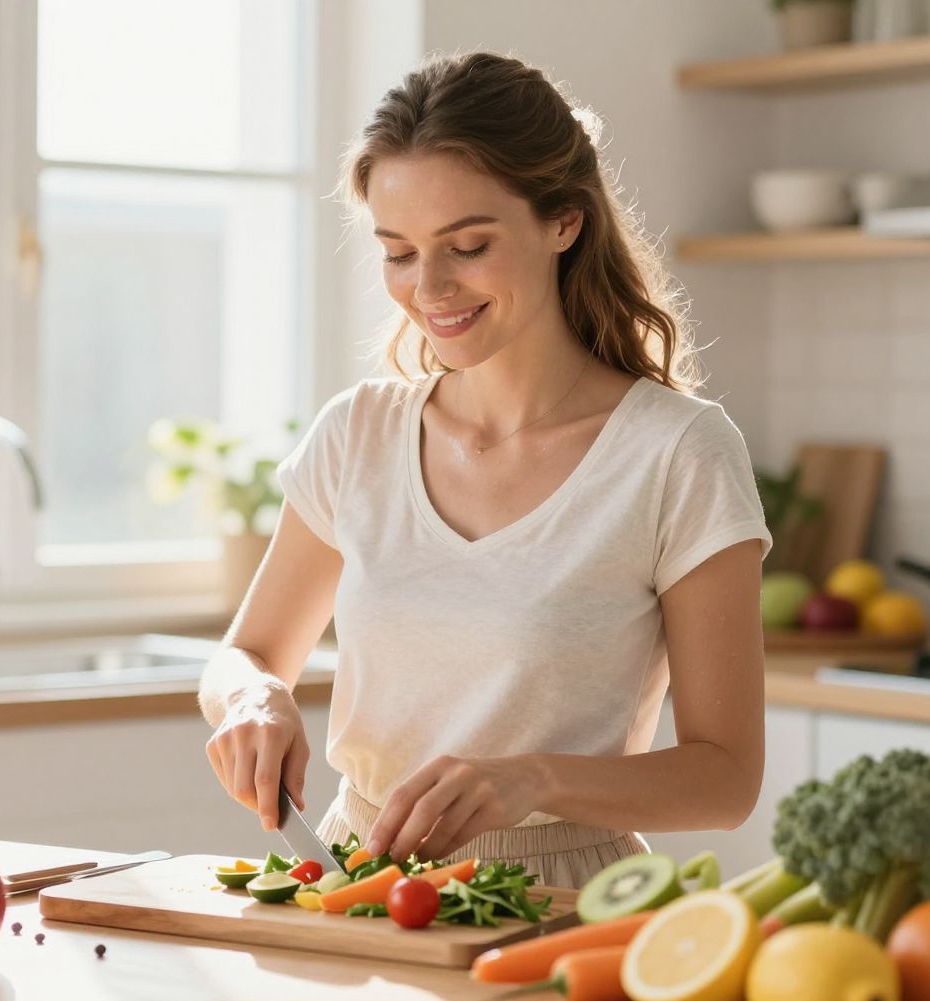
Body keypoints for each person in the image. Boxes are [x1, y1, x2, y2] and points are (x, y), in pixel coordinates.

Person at [197, 51, 771, 888]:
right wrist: (252, 700)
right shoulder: (357, 434)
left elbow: (726, 778)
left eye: (467, 245)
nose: (429, 287)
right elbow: (247, 653)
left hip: (566, 905)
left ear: (563, 222)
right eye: (398, 252)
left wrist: (531, 778)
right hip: (356, 884)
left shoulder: (678, 454)